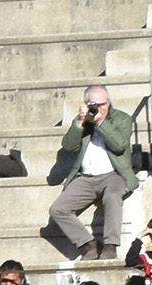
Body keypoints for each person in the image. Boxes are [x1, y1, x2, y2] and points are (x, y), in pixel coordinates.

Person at [46, 85, 137, 261]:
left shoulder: (122, 119)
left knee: (112, 196)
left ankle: (110, 245)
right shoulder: (83, 120)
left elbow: (119, 146)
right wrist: (79, 123)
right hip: (85, 178)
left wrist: (100, 122)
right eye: (94, 104)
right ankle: (89, 245)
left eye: (103, 104)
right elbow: (69, 146)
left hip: (114, 174)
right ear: (87, 104)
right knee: (58, 209)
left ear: (108, 102)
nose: (99, 108)